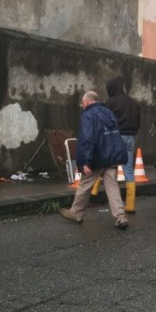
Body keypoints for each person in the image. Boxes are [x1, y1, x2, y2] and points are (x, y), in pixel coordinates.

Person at [60, 91, 130, 229]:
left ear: (86, 102)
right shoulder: (109, 113)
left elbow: (87, 138)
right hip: (112, 156)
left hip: (97, 158)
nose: (82, 106)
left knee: (85, 185)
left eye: (82, 103)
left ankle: (76, 213)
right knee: (112, 187)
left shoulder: (88, 115)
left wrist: (86, 161)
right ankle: (121, 216)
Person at [105, 75, 141, 214]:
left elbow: (106, 121)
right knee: (128, 170)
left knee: (107, 166)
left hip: (115, 137)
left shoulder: (110, 102)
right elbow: (138, 122)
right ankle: (130, 205)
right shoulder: (133, 102)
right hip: (130, 137)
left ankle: (94, 193)